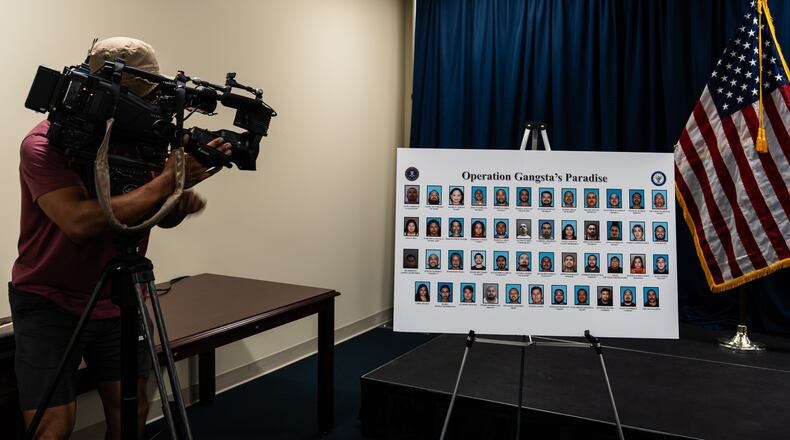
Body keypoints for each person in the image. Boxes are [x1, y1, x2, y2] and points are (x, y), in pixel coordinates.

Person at [9, 37, 233, 440]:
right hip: (49, 300)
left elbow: (156, 218)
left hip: (121, 294)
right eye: (136, 96)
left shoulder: (141, 140)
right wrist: (166, 181)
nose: (146, 106)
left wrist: (177, 195)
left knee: (132, 410)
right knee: (52, 427)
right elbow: (78, 222)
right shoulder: (44, 144)